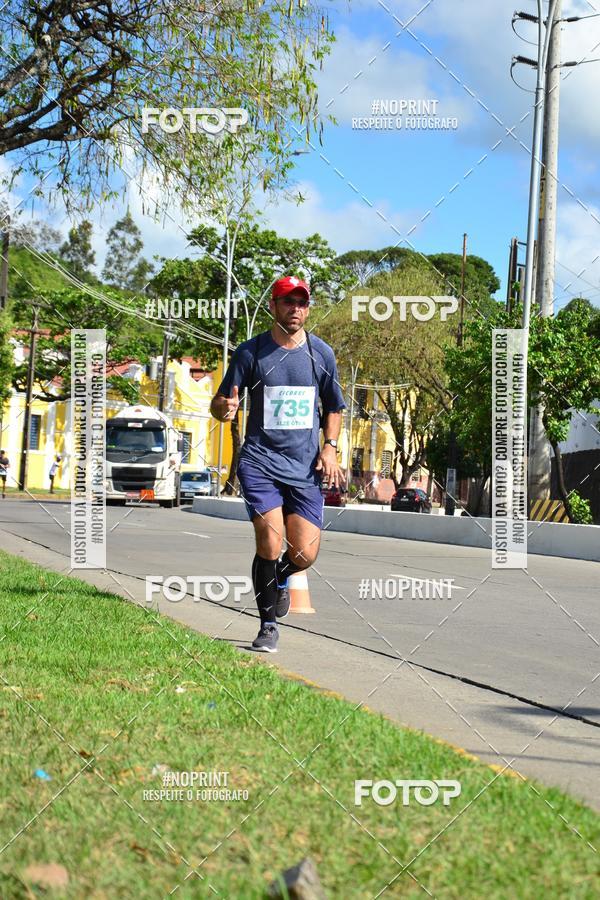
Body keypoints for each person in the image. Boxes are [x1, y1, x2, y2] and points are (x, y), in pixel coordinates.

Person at [210, 276, 346, 653]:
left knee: (304, 554)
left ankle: (279, 580)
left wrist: (330, 447)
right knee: (269, 541)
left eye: (302, 302)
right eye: (288, 302)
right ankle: (267, 624)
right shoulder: (250, 353)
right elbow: (220, 404)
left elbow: (334, 407)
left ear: (308, 307)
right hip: (259, 462)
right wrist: (225, 409)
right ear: (273, 305)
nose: (295, 309)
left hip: (304, 469)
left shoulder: (322, 355)